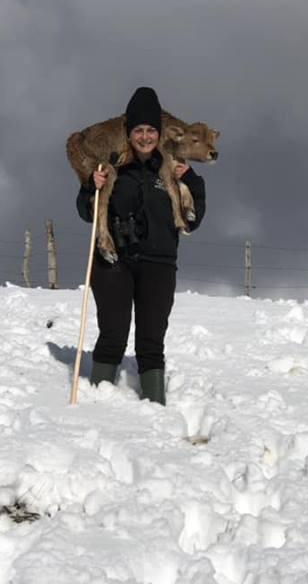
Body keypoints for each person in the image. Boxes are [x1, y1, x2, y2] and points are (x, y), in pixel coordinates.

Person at [75, 86, 206, 406]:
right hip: (113, 263)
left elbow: (193, 218)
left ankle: (156, 409)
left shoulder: (176, 169)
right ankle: (95, 406)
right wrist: (92, 187)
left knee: (151, 340)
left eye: (150, 130)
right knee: (112, 335)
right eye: (138, 130)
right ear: (128, 133)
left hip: (159, 263)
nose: (145, 137)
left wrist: (190, 179)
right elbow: (84, 211)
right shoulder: (112, 164)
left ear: (159, 134)